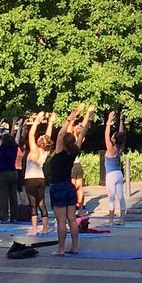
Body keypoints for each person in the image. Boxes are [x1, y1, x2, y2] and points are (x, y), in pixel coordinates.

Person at [51, 105, 94, 256]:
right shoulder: (74, 151)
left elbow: (62, 132)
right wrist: (88, 115)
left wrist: (74, 113)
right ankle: (74, 247)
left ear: (62, 142)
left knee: (61, 221)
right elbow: (83, 133)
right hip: (69, 187)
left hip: (58, 187)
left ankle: (61, 249)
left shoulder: (59, 151)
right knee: (71, 219)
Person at [25, 111, 54, 235]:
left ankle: (35, 228)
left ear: (40, 142)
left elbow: (31, 134)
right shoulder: (45, 151)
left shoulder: (35, 150)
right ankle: (45, 228)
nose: (39, 136)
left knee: (33, 205)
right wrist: (50, 122)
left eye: (40, 137)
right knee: (42, 203)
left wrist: (37, 119)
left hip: (30, 179)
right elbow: (48, 136)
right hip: (41, 179)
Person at [0, 119, 22, 223]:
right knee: (13, 196)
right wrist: (15, 125)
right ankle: (15, 216)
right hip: (14, 172)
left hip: (4, 173)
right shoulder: (14, 147)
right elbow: (15, 137)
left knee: (3, 196)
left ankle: (4, 216)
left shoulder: (3, 148)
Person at [103, 110, 127, 225]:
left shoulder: (111, 149)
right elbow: (122, 134)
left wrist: (108, 121)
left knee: (111, 198)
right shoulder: (120, 147)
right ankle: (122, 219)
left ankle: (111, 220)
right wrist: (121, 120)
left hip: (111, 175)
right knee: (121, 197)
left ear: (114, 139)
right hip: (119, 174)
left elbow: (106, 136)